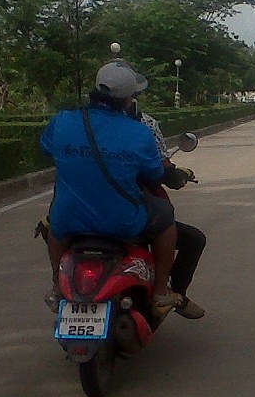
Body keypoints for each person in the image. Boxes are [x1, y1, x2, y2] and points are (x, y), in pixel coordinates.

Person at [40, 60, 184, 318]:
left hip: (69, 219)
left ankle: (56, 286)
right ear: (129, 98)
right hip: (123, 222)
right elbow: (155, 172)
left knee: (53, 222)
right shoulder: (139, 132)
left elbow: (46, 149)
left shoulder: (62, 121)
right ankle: (161, 291)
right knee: (166, 216)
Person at [131, 101, 206, 319]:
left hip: (82, 211)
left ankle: (56, 287)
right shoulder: (141, 125)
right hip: (128, 210)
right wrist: (175, 174)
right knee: (179, 231)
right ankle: (167, 293)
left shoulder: (78, 125)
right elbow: (161, 170)